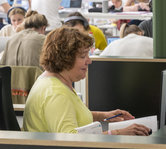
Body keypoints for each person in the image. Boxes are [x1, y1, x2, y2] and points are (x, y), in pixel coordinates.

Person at [23, 27, 151, 135]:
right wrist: (118, 133)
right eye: (83, 56)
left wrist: (104, 116)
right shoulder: (56, 93)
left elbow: (71, 114)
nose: (89, 61)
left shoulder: (55, 80)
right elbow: (70, 142)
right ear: (65, 58)